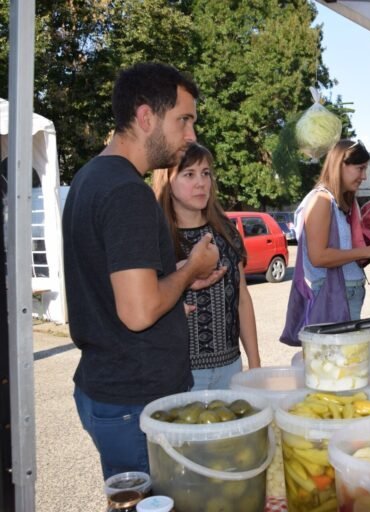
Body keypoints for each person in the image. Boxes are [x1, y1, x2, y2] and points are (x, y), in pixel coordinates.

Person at [62, 62, 225, 479]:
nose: (191, 135)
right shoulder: (127, 192)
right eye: (183, 120)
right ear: (145, 116)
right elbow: (138, 311)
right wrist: (190, 271)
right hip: (136, 403)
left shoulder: (89, 178)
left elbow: (117, 286)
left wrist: (177, 278)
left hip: (111, 391)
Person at [152, 143, 261, 390]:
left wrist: (254, 363)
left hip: (231, 368)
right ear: (167, 181)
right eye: (189, 174)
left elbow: (242, 297)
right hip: (180, 374)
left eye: (205, 173)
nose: (201, 182)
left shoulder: (227, 232)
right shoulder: (156, 239)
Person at [289, 139, 370, 321]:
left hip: (345, 293)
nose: (364, 177)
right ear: (340, 165)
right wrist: (368, 250)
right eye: (360, 168)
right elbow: (319, 257)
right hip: (333, 296)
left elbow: (344, 254)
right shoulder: (321, 201)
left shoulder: (340, 201)